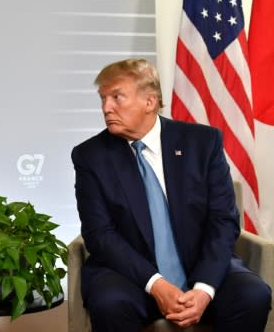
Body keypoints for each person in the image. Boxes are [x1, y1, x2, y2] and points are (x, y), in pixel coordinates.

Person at [71, 58, 271, 331]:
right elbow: (100, 234)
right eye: (103, 99)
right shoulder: (91, 156)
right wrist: (156, 284)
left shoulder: (203, 143)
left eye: (116, 97)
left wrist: (204, 289)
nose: (106, 108)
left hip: (200, 266)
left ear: (150, 102)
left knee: (253, 295)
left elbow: (223, 220)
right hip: (131, 275)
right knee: (109, 303)